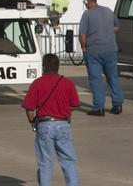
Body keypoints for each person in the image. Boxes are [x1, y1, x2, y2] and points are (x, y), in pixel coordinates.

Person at [22, 53, 81, 186]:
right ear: (58, 66)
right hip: (63, 123)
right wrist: (64, 111)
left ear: (44, 66)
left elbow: (29, 108)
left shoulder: (37, 83)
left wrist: (32, 122)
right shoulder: (67, 83)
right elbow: (74, 104)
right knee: (68, 160)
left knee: (45, 162)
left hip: (44, 124)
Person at [78, 0, 123, 115]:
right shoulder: (108, 11)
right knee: (113, 77)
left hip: (93, 51)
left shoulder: (87, 15)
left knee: (96, 79)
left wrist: (83, 48)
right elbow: (116, 27)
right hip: (111, 49)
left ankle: (99, 107)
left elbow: (82, 34)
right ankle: (117, 104)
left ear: (87, 1)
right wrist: (106, 31)